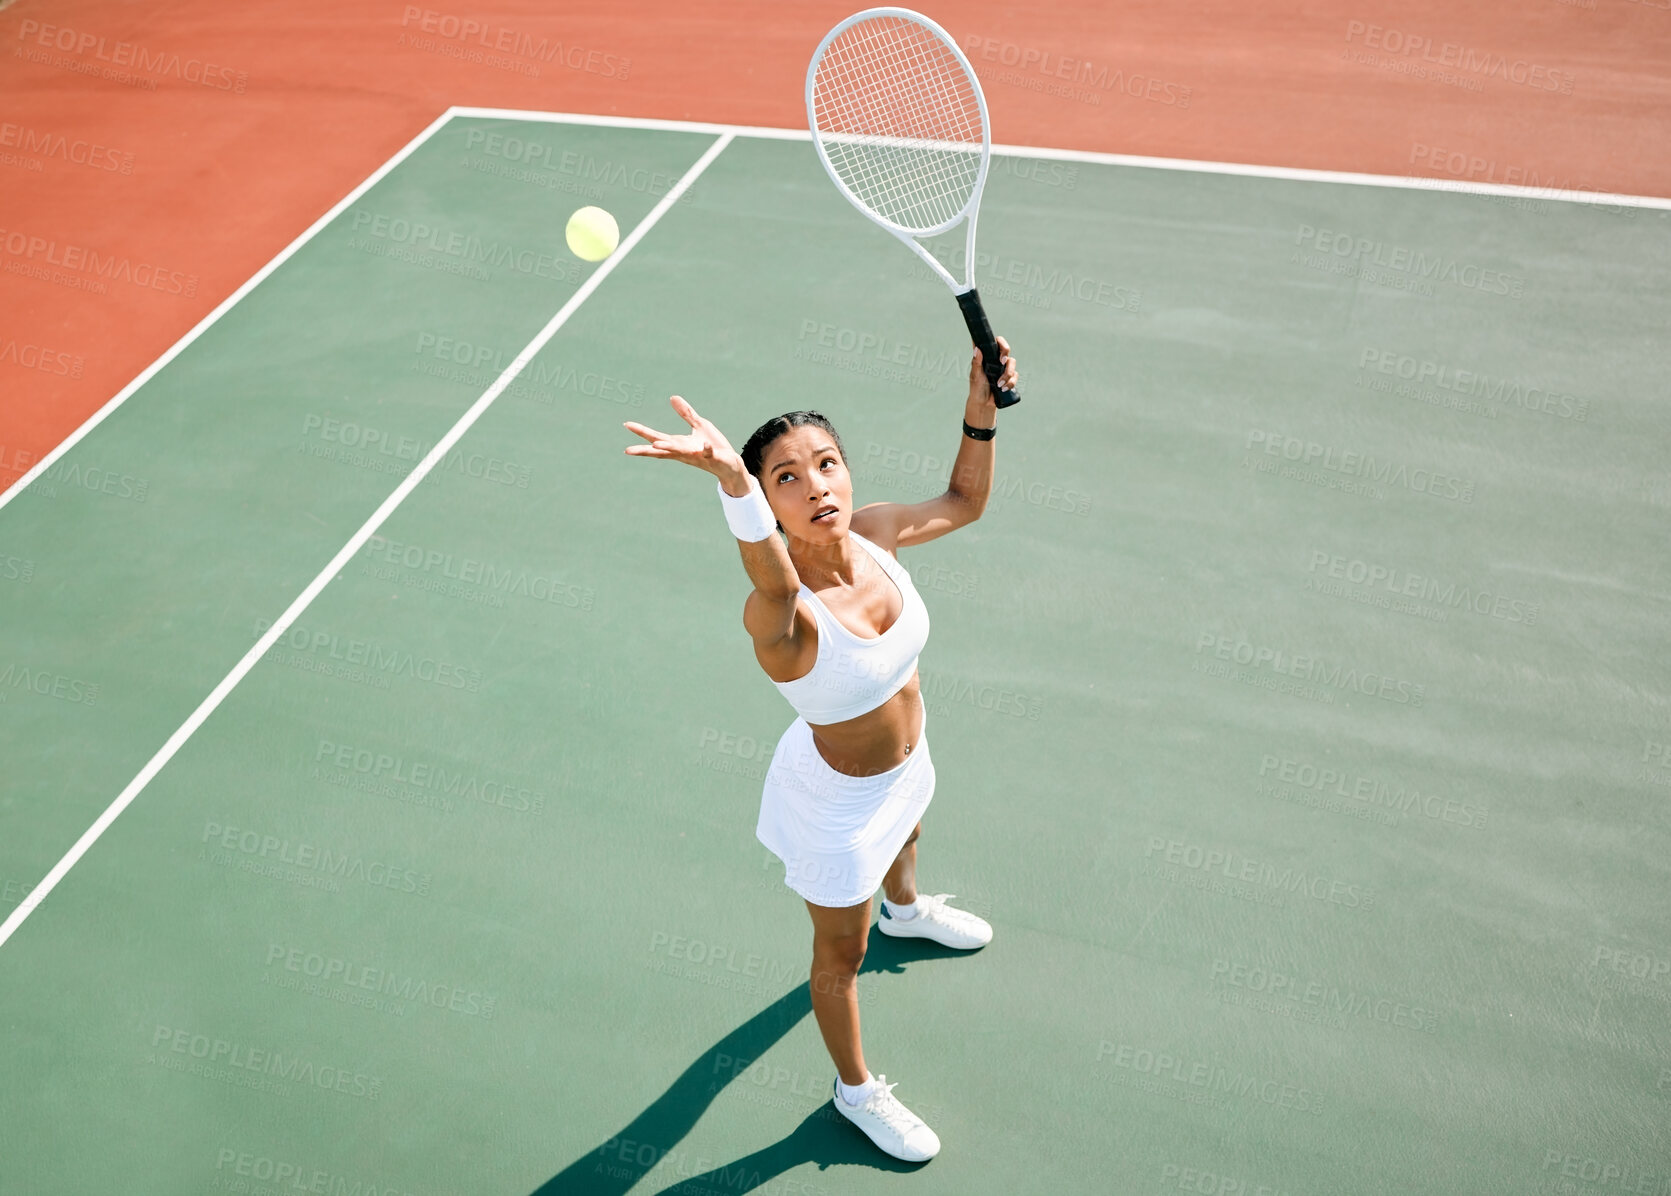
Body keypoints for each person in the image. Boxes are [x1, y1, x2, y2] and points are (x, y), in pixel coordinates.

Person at [622, 337, 1019, 1163]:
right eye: (786, 479)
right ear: (766, 505)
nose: (816, 487)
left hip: (905, 765)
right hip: (835, 810)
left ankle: (906, 911)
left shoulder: (878, 535)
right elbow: (770, 577)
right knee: (840, 954)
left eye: (826, 464)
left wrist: (979, 403)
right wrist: (731, 479)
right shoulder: (779, 614)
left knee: (908, 826)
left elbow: (963, 500)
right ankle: (854, 1093)